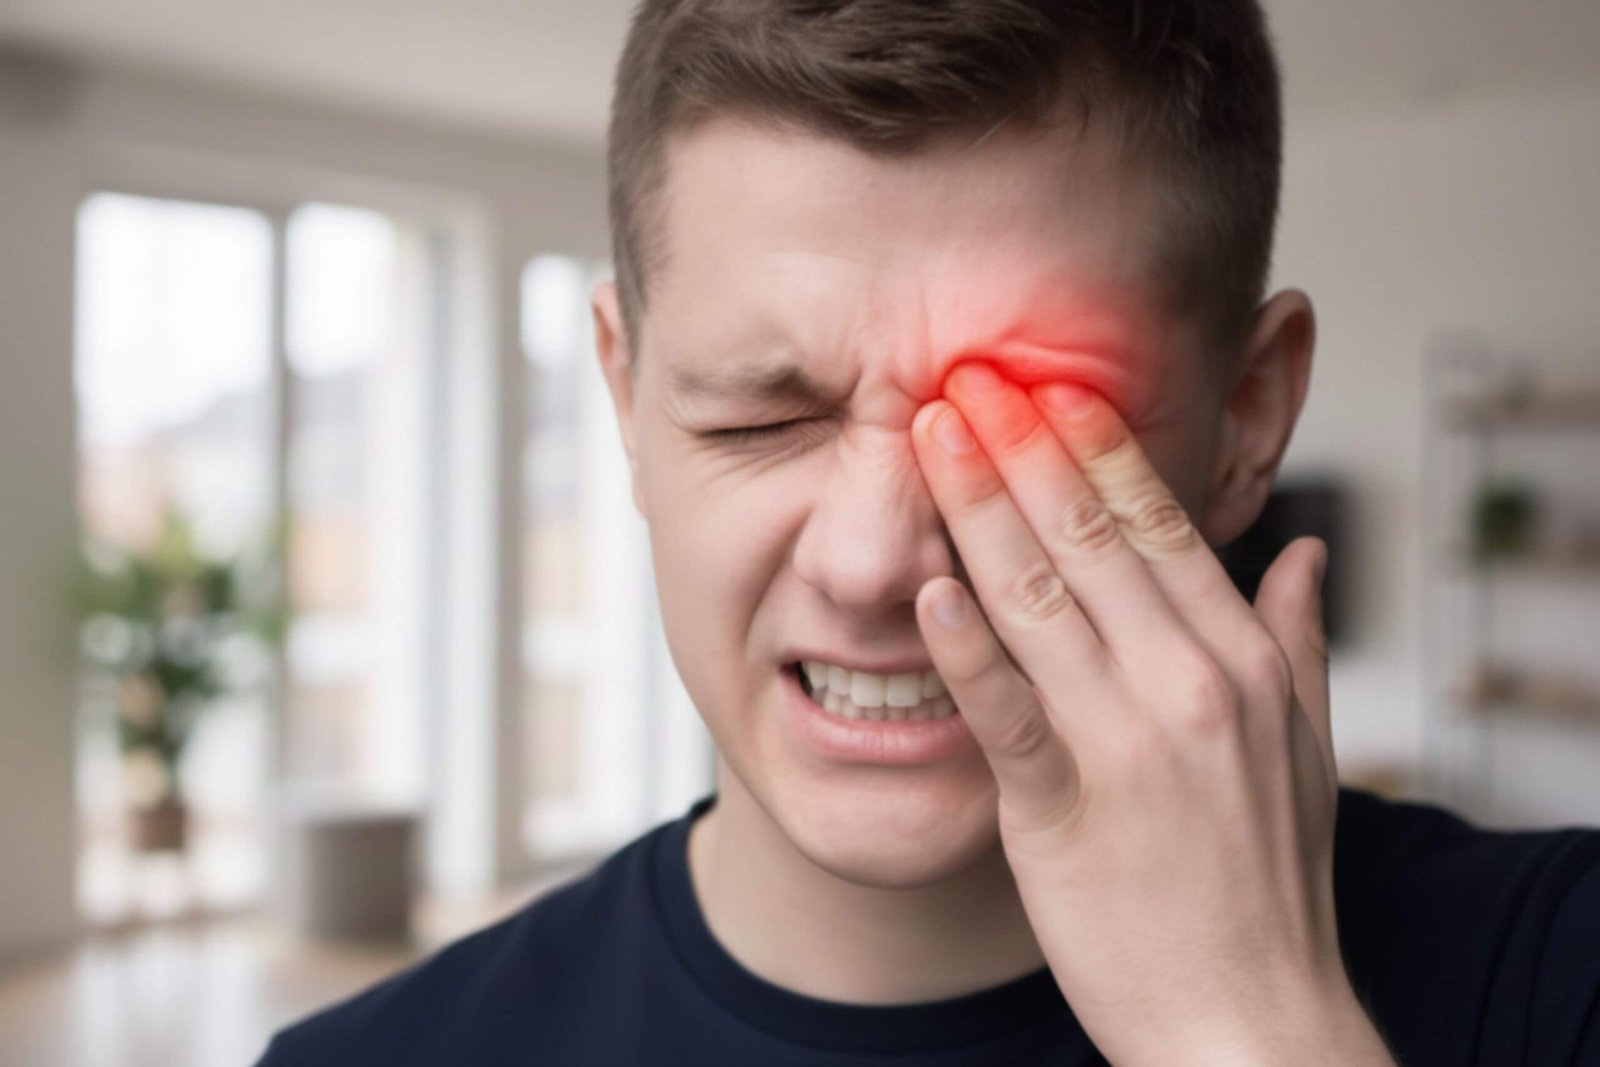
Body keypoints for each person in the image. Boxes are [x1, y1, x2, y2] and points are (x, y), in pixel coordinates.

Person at [257, 2, 1600, 1064]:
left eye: (1026, 427)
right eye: (759, 419)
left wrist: (1242, 1030)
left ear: (1245, 420)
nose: (869, 561)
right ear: (624, 393)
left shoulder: (1561, 970)